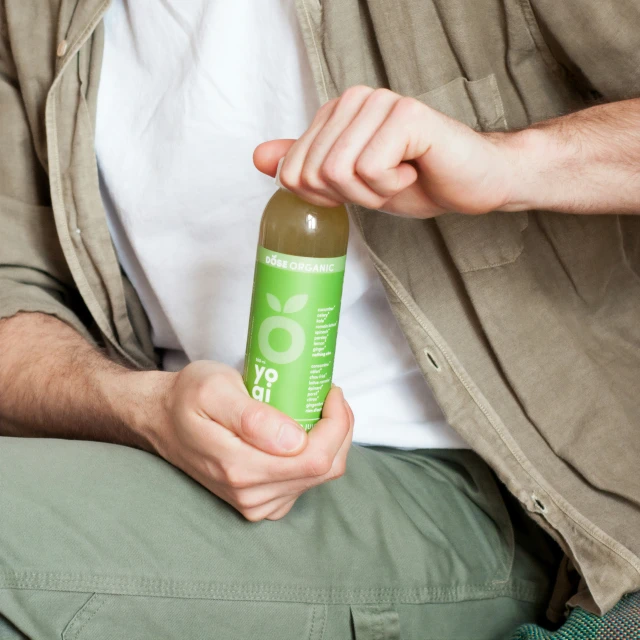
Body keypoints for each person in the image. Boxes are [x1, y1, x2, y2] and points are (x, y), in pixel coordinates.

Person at [0, 0, 639, 638]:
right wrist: (139, 407)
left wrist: (512, 164)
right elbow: (11, 288)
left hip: (487, 491)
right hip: (182, 454)